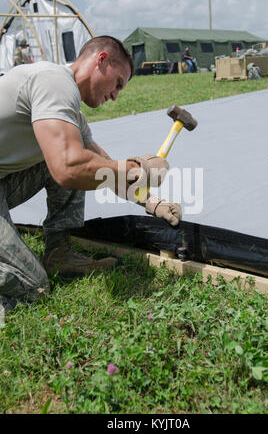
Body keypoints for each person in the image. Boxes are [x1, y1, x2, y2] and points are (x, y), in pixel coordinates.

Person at [0, 35, 181, 312]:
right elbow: (68, 167)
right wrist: (137, 168)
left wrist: (153, 204)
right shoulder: (54, 81)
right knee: (32, 286)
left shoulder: (71, 113)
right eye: (118, 83)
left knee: (85, 161)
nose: (116, 95)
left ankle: (59, 255)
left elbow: (103, 167)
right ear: (102, 60)